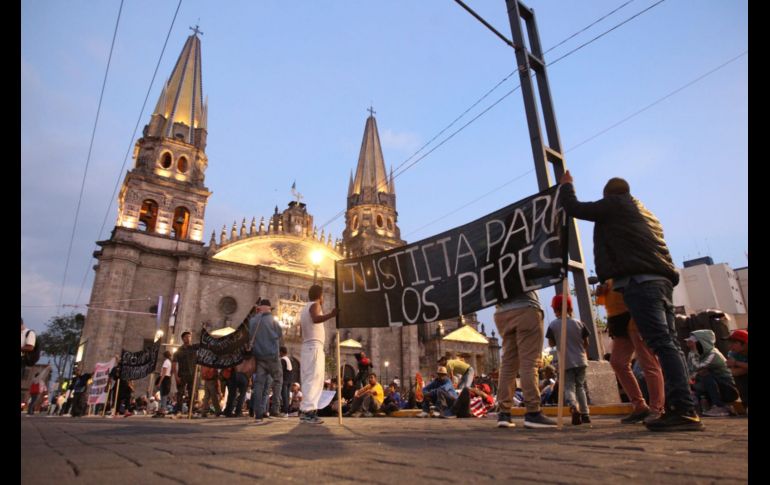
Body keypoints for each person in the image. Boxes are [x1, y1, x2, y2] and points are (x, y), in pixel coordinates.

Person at [559, 171, 702, 432]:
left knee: (660, 345)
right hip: (660, 282)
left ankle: (681, 409)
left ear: (608, 196)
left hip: (641, 283)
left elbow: (574, 208)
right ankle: (676, 407)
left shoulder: (617, 204)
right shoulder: (645, 212)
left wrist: (567, 186)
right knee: (668, 344)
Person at [597, 279, 665, 424]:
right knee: (618, 362)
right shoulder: (608, 273)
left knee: (648, 362)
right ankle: (640, 406)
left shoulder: (627, 265)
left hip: (634, 312)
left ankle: (657, 408)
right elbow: (603, 301)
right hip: (617, 318)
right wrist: (602, 291)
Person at [493, 291, 557, 429]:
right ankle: (533, 412)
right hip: (526, 307)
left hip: (501, 311)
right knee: (529, 362)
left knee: (508, 364)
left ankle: (503, 413)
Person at [546, 294, 591, 425]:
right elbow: (586, 343)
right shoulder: (579, 323)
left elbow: (551, 344)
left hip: (566, 362)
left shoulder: (553, 325)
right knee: (580, 387)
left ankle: (573, 406)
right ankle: (585, 414)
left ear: (555, 310)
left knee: (569, 387)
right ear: (571, 309)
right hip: (581, 360)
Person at [299, 285, 338, 424]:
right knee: (314, 379)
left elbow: (301, 331)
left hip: (308, 346)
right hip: (314, 347)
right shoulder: (315, 305)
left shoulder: (304, 308)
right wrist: (332, 315)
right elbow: (316, 319)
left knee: (309, 379)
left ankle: (306, 411)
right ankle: (309, 412)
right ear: (320, 295)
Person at [686, 330, 739, 417]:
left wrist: (693, 358)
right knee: (693, 381)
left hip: (727, 389)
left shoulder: (713, 354)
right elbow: (689, 371)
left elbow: (699, 367)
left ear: (702, 343)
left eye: (693, 342)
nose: (689, 345)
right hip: (711, 385)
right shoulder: (695, 354)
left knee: (705, 374)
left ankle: (719, 406)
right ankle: (697, 405)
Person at [249, 299, 285, 424]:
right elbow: (280, 334)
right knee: (278, 380)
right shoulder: (273, 320)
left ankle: (258, 415)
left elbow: (250, 336)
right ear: (269, 308)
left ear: (259, 308)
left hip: (259, 357)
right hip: (272, 357)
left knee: (258, 385)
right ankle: (275, 409)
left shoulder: (253, 321)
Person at [172, 331, 198, 416]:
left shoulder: (194, 348)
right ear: (183, 338)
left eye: (190, 337)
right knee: (180, 393)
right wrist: (176, 377)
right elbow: (174, 364)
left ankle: (191, 411)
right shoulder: (179, 350)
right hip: (182, 374)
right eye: (187, 337)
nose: (189, 338)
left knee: (192, 393)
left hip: (192, 374)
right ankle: (179, 410)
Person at [725, 329, 748, 412]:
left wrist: (736, 363)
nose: (730, 346)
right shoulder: (732, 353)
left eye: (734, 343)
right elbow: (734, 372)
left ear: (744, 343)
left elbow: (734, 365)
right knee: (739, 377)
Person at [154, 350, 173, 418]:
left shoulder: (166, 362)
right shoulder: (169, 362)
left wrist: (159, 382)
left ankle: (162, 411)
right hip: (167, 379)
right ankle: (162, 410)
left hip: (165, 380)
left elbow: (164, 373)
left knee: (163, 396)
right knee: (163, 395)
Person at [280, 347, 293, 414]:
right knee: (287, 396)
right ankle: (287, 411)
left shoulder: (283, 360)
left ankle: (285, 411)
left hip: (284, 381)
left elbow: (280, 371)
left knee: (284, 396)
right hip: (289, 380)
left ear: (281, 352)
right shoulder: (288, 359)